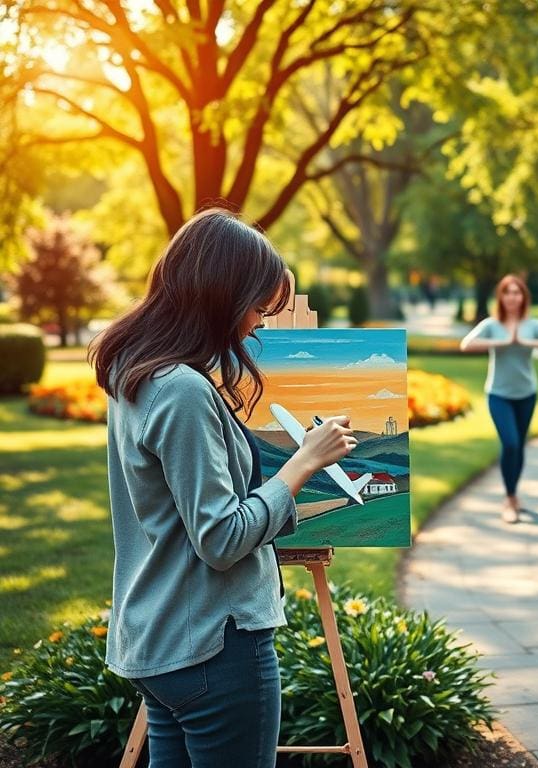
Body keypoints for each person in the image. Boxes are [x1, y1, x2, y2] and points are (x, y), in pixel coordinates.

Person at [89, 208, 357, 767]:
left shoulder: (136, 372)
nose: (260, 323)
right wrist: (302, 464)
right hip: (216, 645)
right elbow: (222, 538)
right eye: (259, 307)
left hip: (164, 643)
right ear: (221, 295)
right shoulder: (181, 391)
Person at [460, 274, 538, 523]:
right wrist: (503, 341)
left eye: (516, 292)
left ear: (523, 297)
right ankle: (509, 500)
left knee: (518, 446)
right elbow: (466, 344)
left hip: (527, 394)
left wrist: (525, 341)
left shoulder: (533, 324)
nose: (512, 297)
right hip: (499, 394)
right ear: (501, 297)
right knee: (509, 444)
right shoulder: (491, 324)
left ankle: (514, 495)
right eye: (507, 292)